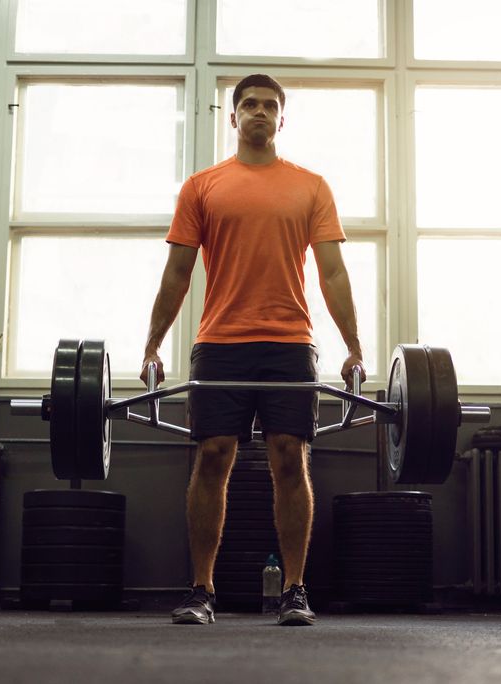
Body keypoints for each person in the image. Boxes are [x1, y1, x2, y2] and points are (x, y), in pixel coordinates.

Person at [140, 74, 365, 626]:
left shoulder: (311, 186)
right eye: (249, 105)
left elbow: (333, 273)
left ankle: (294, 589)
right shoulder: (202, 186)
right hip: (219, 342)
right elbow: (176, 274)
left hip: (290, 342)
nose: (259, 113)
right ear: (233, 117)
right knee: (213, 457)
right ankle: (201, 589)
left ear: (281, 119)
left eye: (269, 106)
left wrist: (355, 347)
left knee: (291, 457)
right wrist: (152, 344)